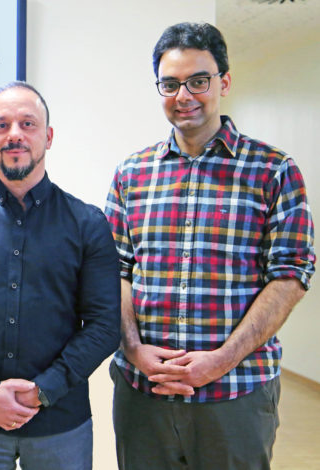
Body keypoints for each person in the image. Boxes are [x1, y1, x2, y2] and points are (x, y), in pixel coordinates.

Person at [105, 22, 315, 470]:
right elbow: (113, 270)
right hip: (143, 394)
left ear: (224, 82)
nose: (184, 95)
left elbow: (291, 276)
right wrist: (134, 348)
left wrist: (221, 360)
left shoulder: (273, 170)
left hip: (237, 393)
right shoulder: (131, 174)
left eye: (198, 81)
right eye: (170, 84)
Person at [0, 81, 121, 470]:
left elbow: (104, 325)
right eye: (2, 125)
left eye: (27, 124)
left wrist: (43, 390)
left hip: (60, 422)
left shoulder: (87, 223)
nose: (14, 134)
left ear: (48, 136)